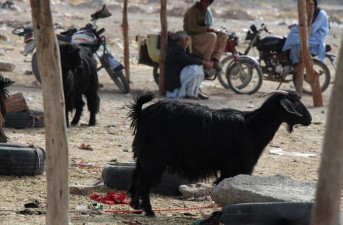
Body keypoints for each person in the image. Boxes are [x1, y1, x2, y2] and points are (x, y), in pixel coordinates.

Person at [165, 31, 213, 100]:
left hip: (179, 77)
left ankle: (194, 92)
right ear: (181, 40)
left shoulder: (181, 48)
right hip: (174, 82)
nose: (188, 40)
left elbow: (191, 56)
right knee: (194, 68)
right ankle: (189, 93)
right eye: (186, 38)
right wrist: (204, 63)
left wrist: (205, 61)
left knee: (198, 66)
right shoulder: (175, 49)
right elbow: (188, 59)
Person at [183, 0, 228, 71]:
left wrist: (213, 29)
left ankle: (215, 59)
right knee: (212, 36)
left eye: (208, 3)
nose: (206, 4)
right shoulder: (193, 10)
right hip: (192, 35)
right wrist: (207, 29)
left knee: (223, 35)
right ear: (201, 1)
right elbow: (192, 28)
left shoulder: (206, 10)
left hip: (203, 33)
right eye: (205, 2)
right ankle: (206, 62)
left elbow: (208, 23)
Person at [282, 0, 329, 65]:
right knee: (294, 33)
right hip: (310, 33)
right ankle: (287, 54)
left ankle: (293, 60)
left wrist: (297, 27)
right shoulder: (309, 12)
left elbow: (312, 29)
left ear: (313, 5)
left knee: (295, 38)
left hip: (316, 36)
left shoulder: (321, 14)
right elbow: (304, 23)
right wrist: (296, 25)